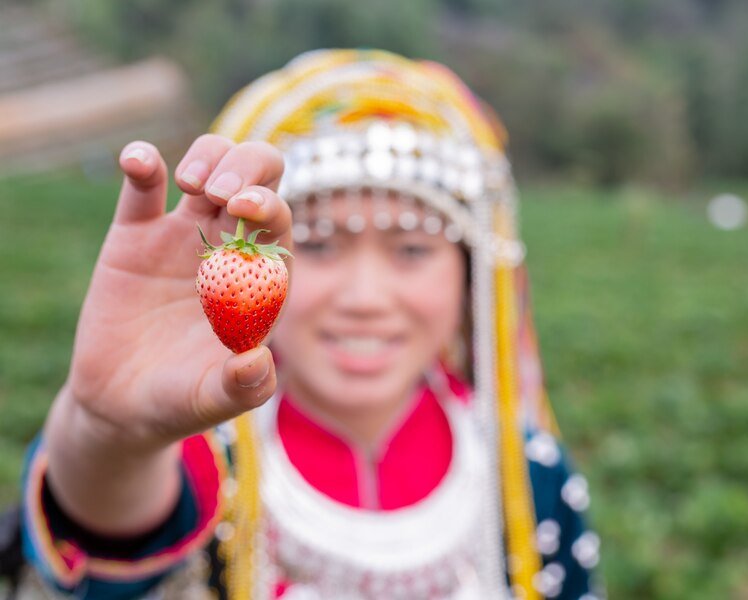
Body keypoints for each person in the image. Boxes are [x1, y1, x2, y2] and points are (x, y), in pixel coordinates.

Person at [12, 49, 603, 599]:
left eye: (412, 250)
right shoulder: (203, 457)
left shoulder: (525, 475)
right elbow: (109, 511)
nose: (366, 298)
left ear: (472, 275)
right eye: (318, 245)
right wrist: (110, 436)